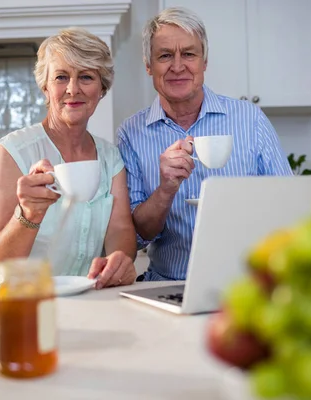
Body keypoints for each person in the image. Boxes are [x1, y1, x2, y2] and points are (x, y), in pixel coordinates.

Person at [117, 7, 293, 281]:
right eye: (165, 56)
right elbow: (138, 237)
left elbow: (287, 204)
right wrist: (165, 189)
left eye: (189, 54)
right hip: (167, 284)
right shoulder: (131, 132)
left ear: (204, 62)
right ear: (148, 65)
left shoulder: (250, 118)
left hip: (243, 285)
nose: (177, 66)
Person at [0, 27, 137, 289]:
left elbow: (120, 230)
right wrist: (29, 214)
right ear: (45, 88)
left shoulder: (110, 158)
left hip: (80, 301)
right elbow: (0, 263)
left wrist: (120, 261)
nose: (73, 89)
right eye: (61, 77)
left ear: (102, 88)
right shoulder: (11, 153)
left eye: (86, 77)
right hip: (13, 304)